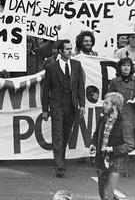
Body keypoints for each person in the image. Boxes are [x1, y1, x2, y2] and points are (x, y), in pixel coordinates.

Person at [41, 39, 86, 178]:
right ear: (60, 51)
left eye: (71, 48)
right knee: (58, 135)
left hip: (71, 106)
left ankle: (61, 160)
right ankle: (59, 166)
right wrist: (45, 109)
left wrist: (82, 104)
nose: (70, 51)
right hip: (56, 106)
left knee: (66, 135)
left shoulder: (77, 65)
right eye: (67, 49)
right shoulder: (51, 67)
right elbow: (45, 89)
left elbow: (80, 86)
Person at [89, 92, 134, 200]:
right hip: (101, 159)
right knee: (102, 192)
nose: (103, 105)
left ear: (114, 106)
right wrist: (94, 144)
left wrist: (113, 149)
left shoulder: (125, 122)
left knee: (107, 195)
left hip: (116, 162)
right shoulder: (103, 119)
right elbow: (96, 134)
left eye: (106, 103)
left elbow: (130, 145)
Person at [107, 57, 135, 176]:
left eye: (128, 65)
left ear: (131, 67)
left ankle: (118, 161)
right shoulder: (115, 81)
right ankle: (122, 168)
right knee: (120, 140)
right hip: (119, 114)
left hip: (132, 114)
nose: (126, 67)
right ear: (120, 67)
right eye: (123, 65)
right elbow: (109, 95)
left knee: (130, 142)